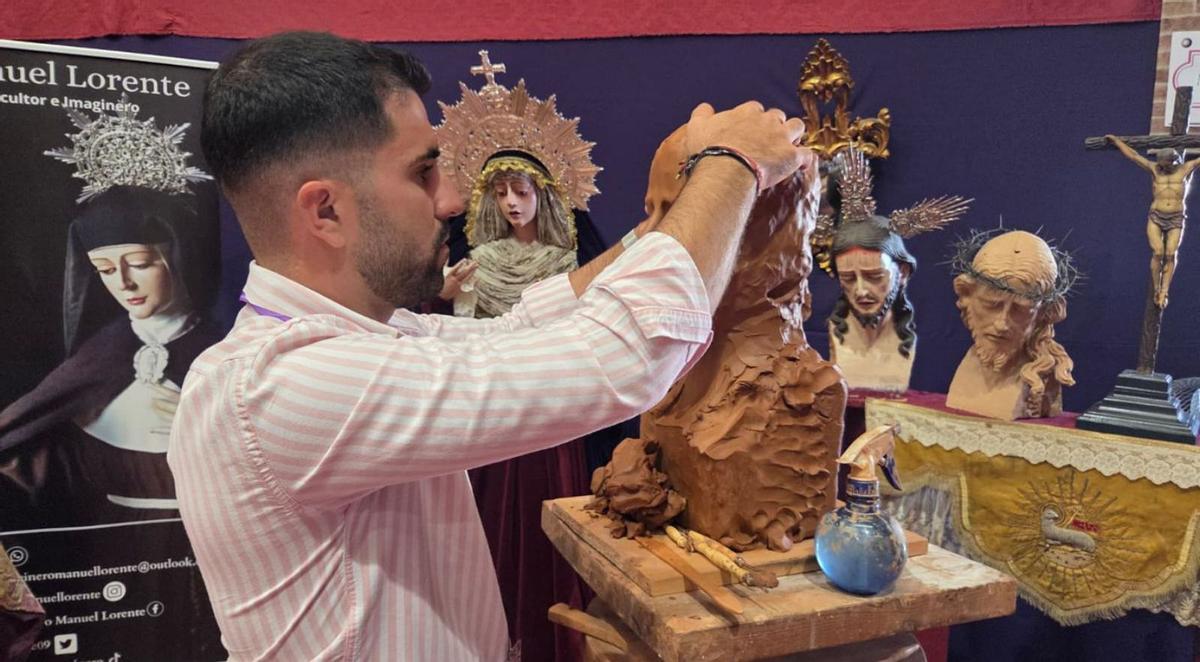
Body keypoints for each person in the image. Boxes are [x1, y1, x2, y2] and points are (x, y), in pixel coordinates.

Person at [169, 30, 809, 661]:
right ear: (325, 212)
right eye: (422, 172)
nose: (451, 198)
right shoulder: (281, 384)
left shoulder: (369, 335)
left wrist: (651, 233)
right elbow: (625, 355)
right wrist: (734, 164)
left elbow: (519, 328)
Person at [433, 63, 623, 661]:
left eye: (522, 191)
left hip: (552, 413)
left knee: (554, 532)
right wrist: (453, 299)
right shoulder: (478, 260)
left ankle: (560, 635)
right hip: (493, 415)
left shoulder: (572, 262)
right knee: (491, 531)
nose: (512, 203)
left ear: (545, 193)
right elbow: (457, 337)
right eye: (500, 192)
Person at [0, 186, 221, 528]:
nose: (124, 283)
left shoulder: (222, 348)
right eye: (104, 270)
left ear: (178, 256)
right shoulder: (101, 354)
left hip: (215, 532)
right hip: (112, 544)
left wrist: (209, 425)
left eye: (139, 263)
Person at [946, 230, 1076, 420]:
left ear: (1043, 313)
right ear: (967, 297)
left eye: (1020, 310)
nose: (1002, 323)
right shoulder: (967, 367)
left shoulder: (1037, 377)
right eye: (991, 304)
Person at [1105, 135, 1200, 308]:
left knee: (1170, 253)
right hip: (1156, 215)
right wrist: (1118, 142)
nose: (1161, 167)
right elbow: (1133, 156)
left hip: (1176, 217)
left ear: (1172, 162)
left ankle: (1164, 290)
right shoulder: (1154, 169)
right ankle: (1157, 288)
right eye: (1160, 164)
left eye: (1164, 164)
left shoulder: (1185, 168)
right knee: (1157, 253)